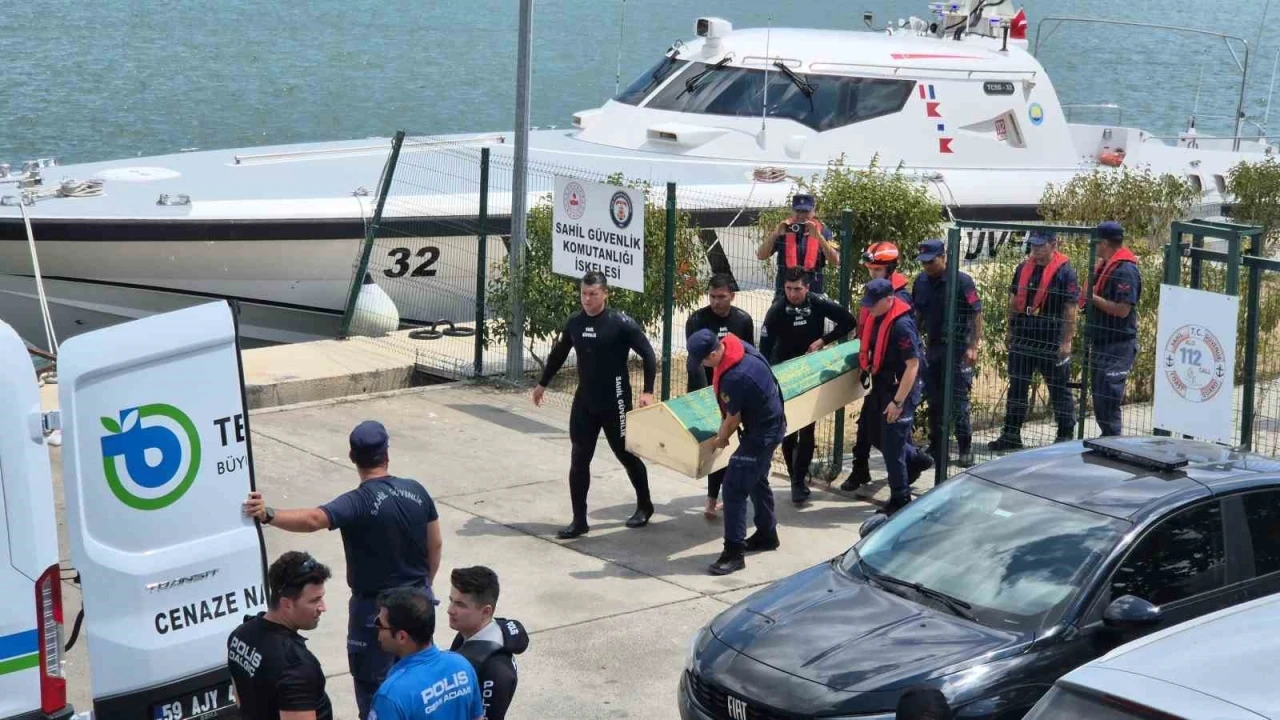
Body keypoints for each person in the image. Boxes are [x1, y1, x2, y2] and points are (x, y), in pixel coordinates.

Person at [241, 420, 442, 720]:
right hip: (417, 604)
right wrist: (423, 589)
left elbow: (314, 519)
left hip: (374, 612)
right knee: (423, 683)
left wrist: (268, 514)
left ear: (352, 458)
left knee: (374, 688)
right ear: (387, 454)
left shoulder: (358, 502)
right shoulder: (417, 491)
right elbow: (435, 544)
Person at [532, 271, 657, 539]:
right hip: (585, 401)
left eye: (593, 294)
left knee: (625, 454)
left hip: (616, 400)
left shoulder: (620, 323)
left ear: (605, 294)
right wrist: (543, 383)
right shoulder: (575, 323)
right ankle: (579, 520)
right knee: (579, 458)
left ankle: (645, 505)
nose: (587, 299)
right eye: (584, 294)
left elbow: (648, 353)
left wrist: (647, 391)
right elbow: (559, 353)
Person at [686, 327, 787, 575]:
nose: (702, 366)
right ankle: (767, 534)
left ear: (713, 354)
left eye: (702, 361)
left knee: (733, 486)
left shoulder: (735, 378)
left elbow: (732, 420)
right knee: (755, 478)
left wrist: (720, 440)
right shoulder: (737, 345)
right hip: (770, 422)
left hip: (763, 433)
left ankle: (733, 553)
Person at [759, 268, 856, 504]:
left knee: (808, 428)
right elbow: (764, 349)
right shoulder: (777, 310)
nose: (793, 294)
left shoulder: (817, 303)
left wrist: (823, 341)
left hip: (811, 371)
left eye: (798, 289)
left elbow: (849, 321)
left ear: (807, 288)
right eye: (788, 289)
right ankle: (796, 478)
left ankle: (798, 481)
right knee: (789, 430)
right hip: (785, 374)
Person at [989, 230, 1080, 451]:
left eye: (1040, 245)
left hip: (1050, 337)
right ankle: (1011, 434)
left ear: (1053, 244)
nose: (1036, 249)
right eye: (1033, 245)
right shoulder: (1023, 268)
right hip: (1023, 334)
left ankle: (1065, 434)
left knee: (1058, 387)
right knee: (1017, 386)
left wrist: (1067, 341)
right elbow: (1014, 299)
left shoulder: (1065, 272)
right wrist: (1010, 329)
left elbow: (1071, 309)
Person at [841, 241, 919, 491]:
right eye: (871, 269)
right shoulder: (875, 294)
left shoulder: (898, 301)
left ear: (890, 269)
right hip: (879, 375)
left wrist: (898, 399)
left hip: (896, 378)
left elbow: (910, 358)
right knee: (869, 428)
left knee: (891, 433)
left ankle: (909, 471)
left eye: (877, 270)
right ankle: (862, 469)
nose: (873, 274)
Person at [227, 551, 334, 720]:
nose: (323, 607)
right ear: (287, 604)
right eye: (314, 600)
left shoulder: (239, 635)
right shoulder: (295, 666)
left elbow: (241, 700)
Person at [685, 273, 756, 519]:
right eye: (712, 296)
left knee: (730, 442)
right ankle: (711, 498)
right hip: (706, 388)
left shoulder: (743, 320)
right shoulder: (697, 319)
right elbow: (694, 362)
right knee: (714, 442)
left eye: (721, 297)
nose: (716, 301)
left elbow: (747, 355)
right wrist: (706, 396)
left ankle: (728, 494)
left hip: (733, 389)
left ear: (732, 296)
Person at [857, 278, 931, 516]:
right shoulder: (877, 316)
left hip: (900, 390)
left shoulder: (901, 326)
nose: (869, 307)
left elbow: (913, 366)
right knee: (873, 433)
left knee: (892, 446)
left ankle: (900, 498)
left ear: (890, 300)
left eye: (873, 303)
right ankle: (916, 458)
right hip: (881, 386)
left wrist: (898, 402)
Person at [912, 238, 983, 468]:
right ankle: (937, 446)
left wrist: (973, 346)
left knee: (958, 401)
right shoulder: (921, 281)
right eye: (924, 262)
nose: (927, 266)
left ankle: (965, 448)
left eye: (931, 262)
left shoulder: (962, 281)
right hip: (933, 348)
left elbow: (976, 313)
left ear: (943, 257)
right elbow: (917, 314)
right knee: (934, 400)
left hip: (958, 348)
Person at [369, 587, 484, 720]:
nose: (376, 629)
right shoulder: (461, 666)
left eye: (379, 624)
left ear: (401, 637)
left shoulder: (391, 697)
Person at [447, 567, 529, 720]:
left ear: (486, 612)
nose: (450, 610)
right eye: (451, 600)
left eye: (460, 604)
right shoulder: (470, 631)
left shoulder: (495, 669)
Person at [1086, 221, 1141, 437]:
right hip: (1102, 341)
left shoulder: (1125, 270)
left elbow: (1122, 310)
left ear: (1104, 243)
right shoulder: (1105, 266)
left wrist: (1093, 298)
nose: (1094, 247)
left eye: (1096, 243)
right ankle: (1107, 438)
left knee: (1109, 396)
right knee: (1100, 395)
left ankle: (1114, 441)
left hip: (1118, 344)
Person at [757, 193, 840, 300]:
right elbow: (761, 255)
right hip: (785, 294)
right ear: (792, 211)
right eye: (798, 211)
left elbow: (836, 260)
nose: (801, 216)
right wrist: (775, 233)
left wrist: (819, 238)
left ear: (813, 212)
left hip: (813, 293)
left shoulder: (823, 231)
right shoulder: (784, 229)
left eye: (805, 212)